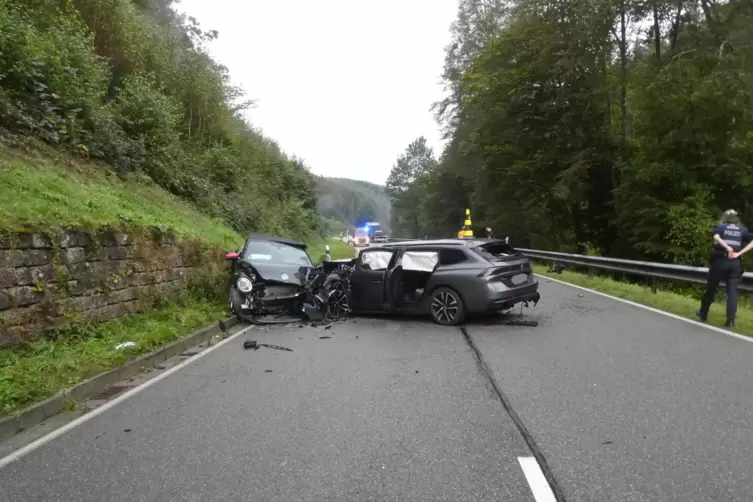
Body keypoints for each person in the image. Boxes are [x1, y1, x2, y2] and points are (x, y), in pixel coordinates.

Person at [696, 209, 753, 329]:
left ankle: (703, 313)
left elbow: (716, 237)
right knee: (732, 292)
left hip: (719, 261)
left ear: (725, 218)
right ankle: (730, 321)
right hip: (735, 264)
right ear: (737, 219)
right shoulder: (742, 231)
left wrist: (727, 247)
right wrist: (739, 253)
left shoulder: (721, 227)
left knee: (711, 288)